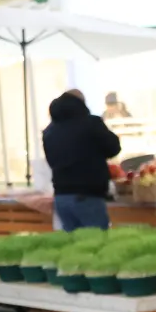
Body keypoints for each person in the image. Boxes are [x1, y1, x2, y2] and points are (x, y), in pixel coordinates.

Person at [43, 91, 119, 231]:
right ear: (81, 103)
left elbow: (51, 161)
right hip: (88, 195)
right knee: (96, 245)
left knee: (74, 247)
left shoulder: (49, 131)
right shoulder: (91, 123)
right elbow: (113, 148)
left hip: (61, 196)